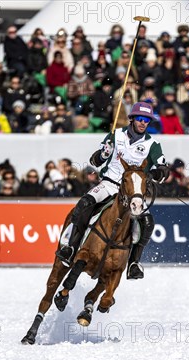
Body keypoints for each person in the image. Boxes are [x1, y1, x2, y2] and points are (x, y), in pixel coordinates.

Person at [55, 101, 170, 280]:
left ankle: (133, 263)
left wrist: (155, 172)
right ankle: (70, 248)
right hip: (109, 184)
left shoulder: (152, 144)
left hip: (133, 192)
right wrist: (103, 155)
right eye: (139, 118)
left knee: (147, 222)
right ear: (132, 119)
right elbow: (95, 162)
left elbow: (164, 169)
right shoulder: (116, 135)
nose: (142, 123)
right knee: (84, 205)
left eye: (146, 120)